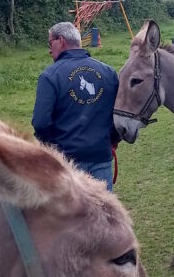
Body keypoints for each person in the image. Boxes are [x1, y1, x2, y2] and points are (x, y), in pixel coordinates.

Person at [32, 22, 119, 191]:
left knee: (67, 216)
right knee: (102, 213)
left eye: (50, 43)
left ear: (61, 41)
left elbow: (41, 123)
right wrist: (112, 140)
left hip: (66, 162)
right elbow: (119, 114)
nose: (50, 50)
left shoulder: (50, 76)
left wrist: (52, 149)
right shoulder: (108, 72)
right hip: (100, 155)